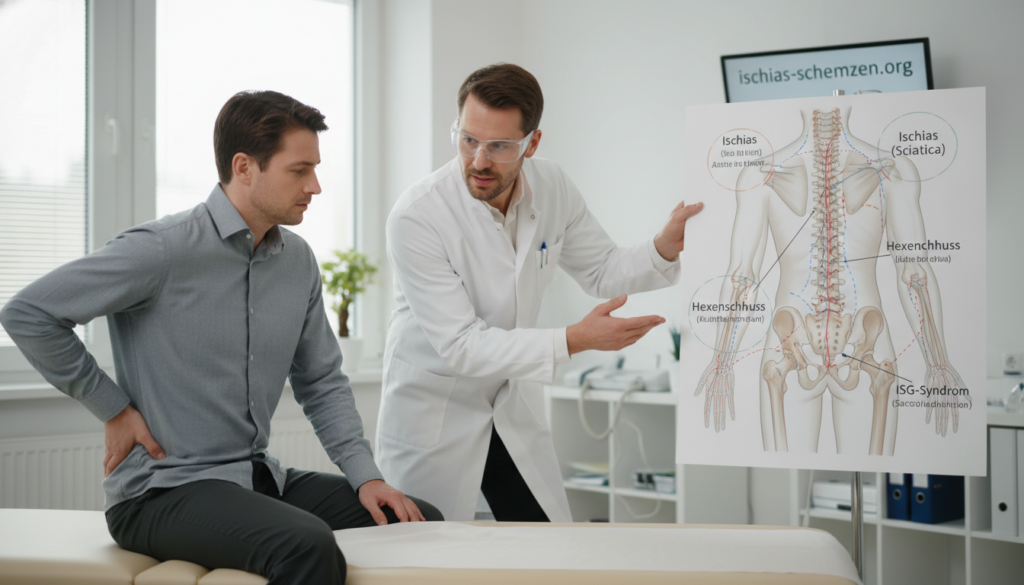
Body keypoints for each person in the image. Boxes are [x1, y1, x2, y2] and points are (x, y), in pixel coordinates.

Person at [0, 90, 441, 585]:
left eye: (315, 169)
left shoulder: (297, 261)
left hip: (254, 478)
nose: (314, 186)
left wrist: (366, 477)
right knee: (306, 544)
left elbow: (321, 381)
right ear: (244, 167)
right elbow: (29, 313)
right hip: (162, 491)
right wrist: (114, 409)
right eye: (299, 170)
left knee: (415, 521)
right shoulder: (162, 250)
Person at [378, 63, 703, 522]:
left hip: (510, 406)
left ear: (532, 143)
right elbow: (463, 345)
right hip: (437, 414)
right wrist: (575, 340)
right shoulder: (417, 216)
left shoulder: (552, 187)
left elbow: (601, 269)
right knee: (431, 551)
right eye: (468, 139)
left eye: (500, 146)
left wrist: (662, 247)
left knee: (546, 541)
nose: (479, 161)